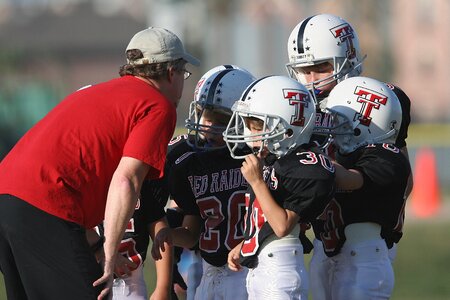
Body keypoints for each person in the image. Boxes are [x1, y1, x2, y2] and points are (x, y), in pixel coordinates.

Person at [0, 26, 199, 300]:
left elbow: (65, 172)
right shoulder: (157, 105)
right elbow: (126, 179)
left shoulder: (95, 93)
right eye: (183, 74)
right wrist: (108, 255)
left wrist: (102, 246)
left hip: (7, 197)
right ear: (170, 72)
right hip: (42, 206)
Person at [285, 13, 412, 299]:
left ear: (347, 56)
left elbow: (401, 175)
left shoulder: (377, 100)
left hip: (365, 235)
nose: (311, 80)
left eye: (320, 67)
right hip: (324, 237)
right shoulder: (302, 108)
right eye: (303, 70)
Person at [224, 75, 336, 299]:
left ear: (288, 128)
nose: (249, 134)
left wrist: (257, 182)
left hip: (280, 269)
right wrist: (248, 245)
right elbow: (263, 216)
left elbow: (282, 225)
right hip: (263, 266)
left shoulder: (303, 166)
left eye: (256, 126)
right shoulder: (274, 161)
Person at [151, 65, 256, 300]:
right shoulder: (186, 159)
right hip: (207, 271)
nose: (207, 125)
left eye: (219, 118)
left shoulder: (258, 159)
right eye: (204, 114)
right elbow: (191, 225)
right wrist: (172, 239)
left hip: (249, 272)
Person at [318, 76, 411, 299]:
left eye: (338, 120)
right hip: (337, 254)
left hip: (365, 261)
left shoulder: (388, 156)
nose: (332, 126)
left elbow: (350, 180)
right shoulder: (350, 154)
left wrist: (313, 160)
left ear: (361, 123)